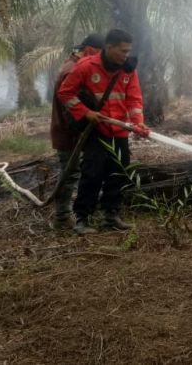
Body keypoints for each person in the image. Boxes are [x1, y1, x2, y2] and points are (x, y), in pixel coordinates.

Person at [56, 28, 149, 235]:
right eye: (122, 51)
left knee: (119, 172)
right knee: (92, 173)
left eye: (128, 51)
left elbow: (134, 99)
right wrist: (86, 113)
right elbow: (66, 93)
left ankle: (111, 215)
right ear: (109, 47)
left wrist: (138, 122)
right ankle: (82, 218)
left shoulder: (127, 69)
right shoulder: (86, 67)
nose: (126, 55)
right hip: (97, 131)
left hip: (120, 131)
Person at [49, 33, 104, 231]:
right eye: (99, 55)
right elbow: (69, 107)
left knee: (73, 172)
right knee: (69, 174)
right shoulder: (72, 70)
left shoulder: (73, 65)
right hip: (68, 132)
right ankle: (62, 218)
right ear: (89, 50)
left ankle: (68, 215)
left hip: (70, 131)